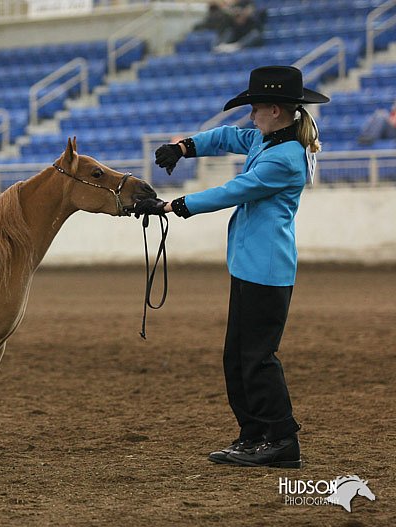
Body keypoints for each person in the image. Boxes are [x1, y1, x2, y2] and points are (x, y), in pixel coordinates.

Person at [135, 66, 330, 468]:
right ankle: (253, 434)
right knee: (238, 357)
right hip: (250, 266)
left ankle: (280, 438)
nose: (251, 116)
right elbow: (227, 136)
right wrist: (185, 146)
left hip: (267, 269)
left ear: (274, 110)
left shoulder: (286, 158)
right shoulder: (271, 138)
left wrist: (175, 205)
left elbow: (235, 190)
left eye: (255, 109)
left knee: (257, 357)